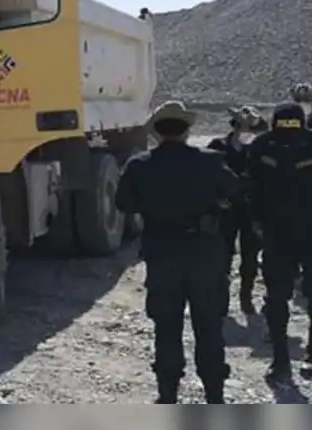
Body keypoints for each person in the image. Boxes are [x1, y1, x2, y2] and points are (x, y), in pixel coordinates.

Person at [115, 100, 241, 404]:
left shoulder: (140, 165)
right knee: (209, 325)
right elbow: (236, 192)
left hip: (163, 254)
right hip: (205, 254)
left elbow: (123, 204)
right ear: (187, 130)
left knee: (167, 326)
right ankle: (214, 395)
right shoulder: (211, 161)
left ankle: (168, 395)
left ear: (156, 132)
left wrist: (153, 205)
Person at [246, 102, 312, 382]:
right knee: (276, 298)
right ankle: (280, 361)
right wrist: (258, 226)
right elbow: (250, 188)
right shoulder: (261, 147)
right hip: (277, 235)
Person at [206, 105, 264, 314]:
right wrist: (216, 200)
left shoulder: (258, 150)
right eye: (243, 127)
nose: (247, 132)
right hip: (226, 209)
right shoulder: (217, 147)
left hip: (250, 210)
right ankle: (221, 299)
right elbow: (207, 177)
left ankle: (246, 296)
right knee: (222, 256)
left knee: (250, 256)